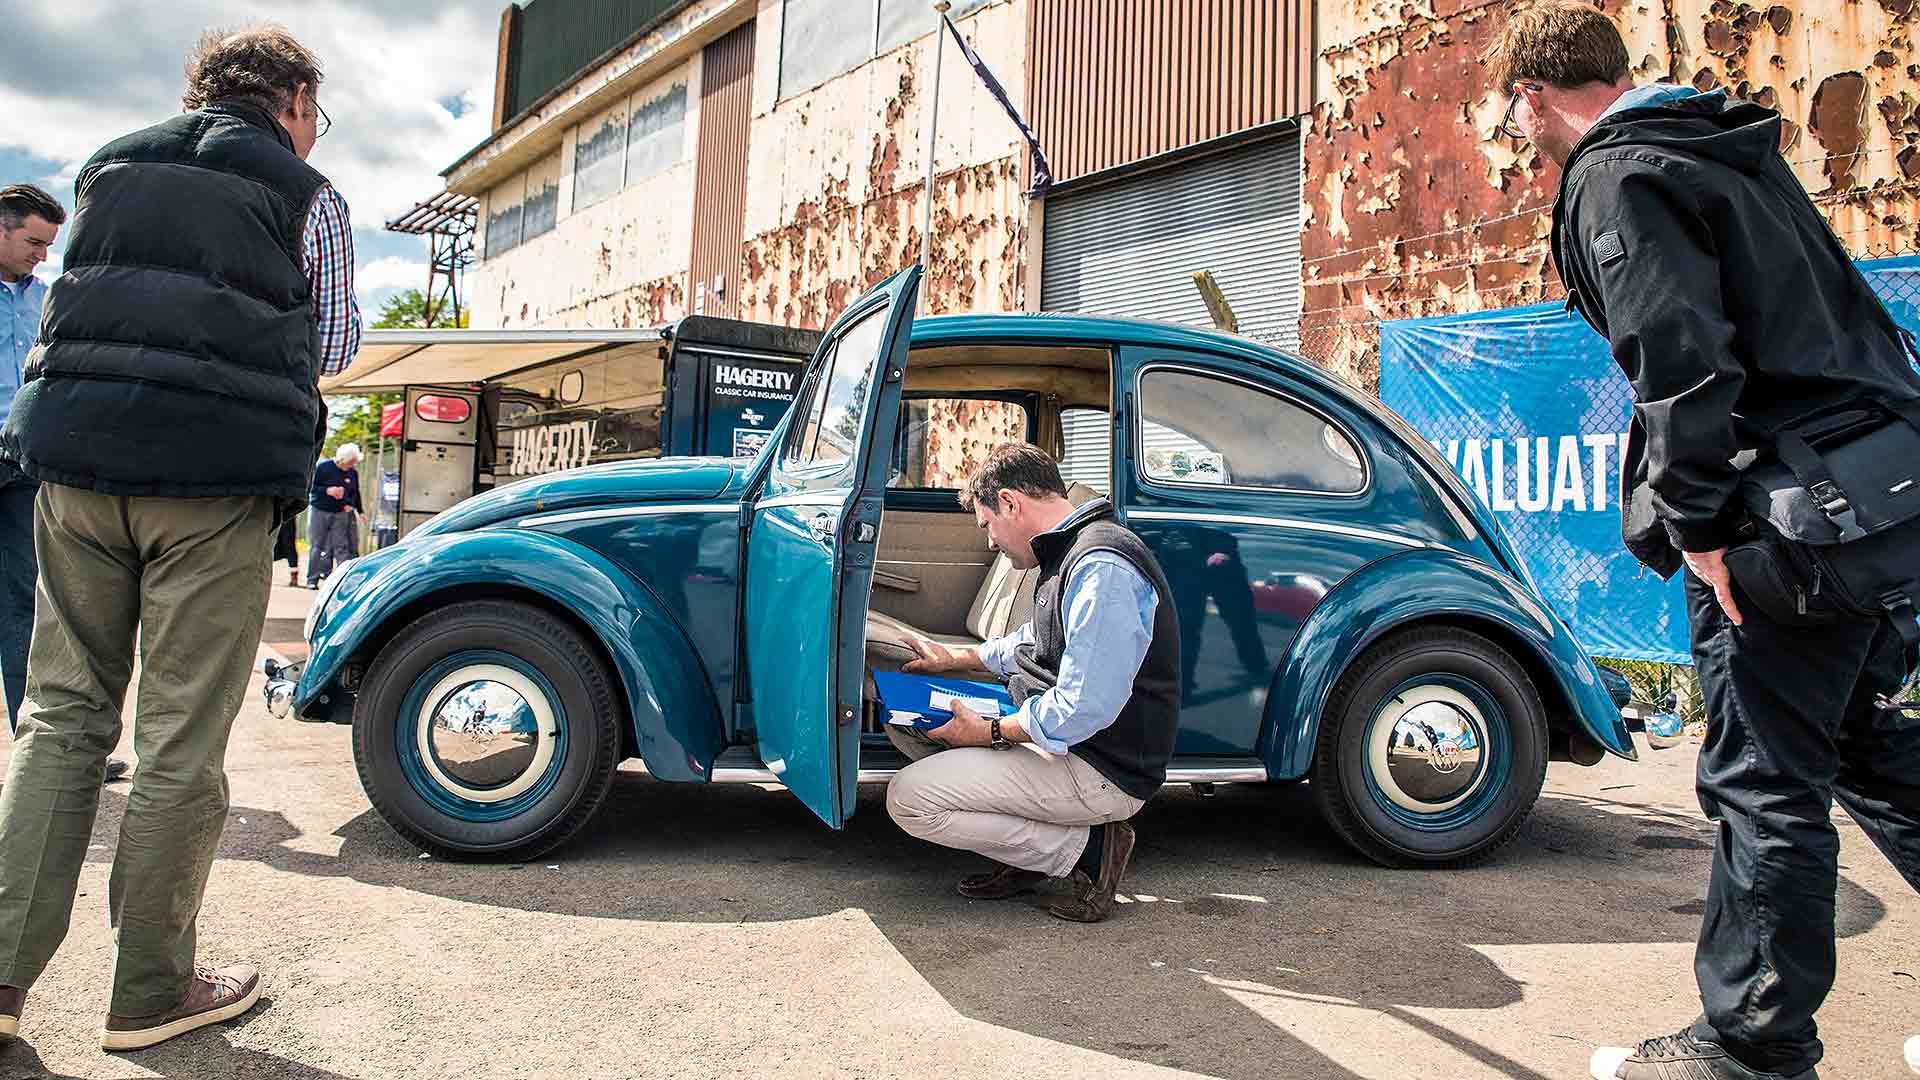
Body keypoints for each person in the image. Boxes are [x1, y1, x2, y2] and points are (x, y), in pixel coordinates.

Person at [1486, 4, 1920, 1078]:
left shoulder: (1618, 173)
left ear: (1531, 95)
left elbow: (1678, 357)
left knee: (1760, 783)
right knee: (1875, 756)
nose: (1514, 129)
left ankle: (1750, 1050)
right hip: (1879, 499)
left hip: (1784, 527)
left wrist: (1706, 528)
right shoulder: (1723, 150)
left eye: (1509, 110)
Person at [0, 25, 361, 1050]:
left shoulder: (109, 164)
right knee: (178, 740)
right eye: (312, 112)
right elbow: (329, 344)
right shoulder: (310, 195)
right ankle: (151, 989)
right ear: (291, 100)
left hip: (73, 464)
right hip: (213, 481)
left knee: (62, 720)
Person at [885, 443, 1180, 924]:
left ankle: (1089, 850)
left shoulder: (1101, 567)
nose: (990, 542)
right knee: (912, 724)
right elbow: (1033, 641)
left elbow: (1084, 706)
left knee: (911, 800)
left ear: (1010, 502)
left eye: (987, 525)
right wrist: (955, 657)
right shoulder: (1068, 551)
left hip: (1101, 764)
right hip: (1066, 744)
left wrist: (990, 732)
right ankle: (1026, 856)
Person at [0, 186, 130, 784]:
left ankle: (43, 756)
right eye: (32, 242)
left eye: (49, 245)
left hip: (21, 461)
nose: (41, 256)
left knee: (29, 606)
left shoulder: (45, 299)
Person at [306, 442, 362, 587]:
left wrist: (356, 507)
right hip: (320, 510)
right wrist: (327, 491)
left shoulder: (352, 473)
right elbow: (311, 487)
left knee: (341, 547)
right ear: (342, 459)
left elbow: (355, 493)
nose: (351, 465)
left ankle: (345, 580)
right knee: (317, 546)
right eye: (350, 462)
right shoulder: (323, 467)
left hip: (340, 513)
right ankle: (312, 579)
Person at [274, 513, 301, 587]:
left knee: (289, 545)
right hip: (276, 512)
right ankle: (263, 574)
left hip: (287, 514)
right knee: (271, 545)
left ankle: (294, 577)